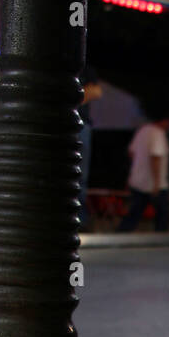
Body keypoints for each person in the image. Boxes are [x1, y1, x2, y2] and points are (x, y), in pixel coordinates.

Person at [118, 115, 169, 233]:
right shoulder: (158, 133)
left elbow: (132, 152)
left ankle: (122, 232)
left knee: (135, 211)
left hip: (138, 181)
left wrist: (137, 168)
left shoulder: (143, 131)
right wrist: (157, 182)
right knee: (162, 213)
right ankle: (161, 238)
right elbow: (155, 157)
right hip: (154, 184)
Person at [78, 66, 102, 232]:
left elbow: (96, 91)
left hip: (80, 124)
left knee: (80, 176)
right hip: (71, 124)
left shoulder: (82, 66)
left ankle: (79, 218)